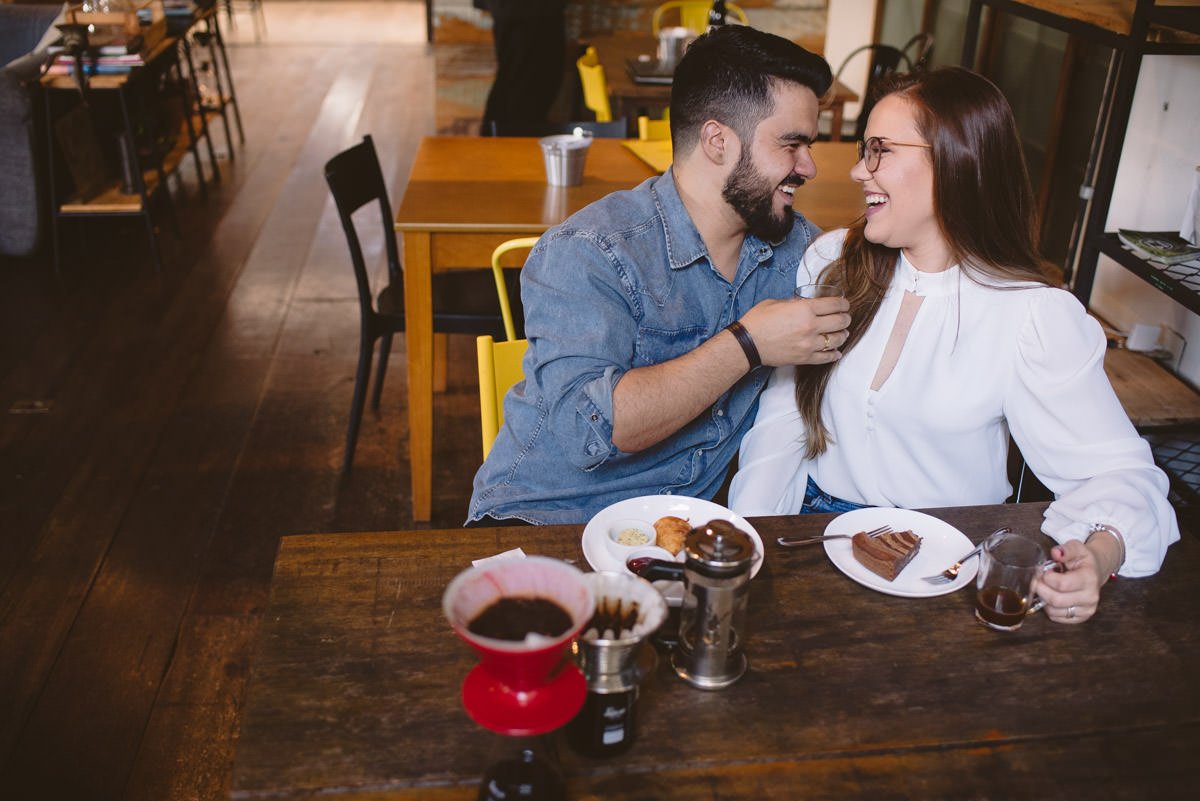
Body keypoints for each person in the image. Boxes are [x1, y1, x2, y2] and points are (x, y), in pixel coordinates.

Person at [729, 67, 1179, 623]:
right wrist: (751, 535)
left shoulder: (1032, 317)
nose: (855, 169)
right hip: (814, 536)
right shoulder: (831, 263)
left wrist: (1098, 554)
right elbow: (785, 420)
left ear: (953, 162)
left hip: (947, 561)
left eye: (878, 150)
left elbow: (1123, 474)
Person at [468, 25, 848, 525]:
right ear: (718, 141)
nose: (809, 166)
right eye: (792, 144)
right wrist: (748, 344)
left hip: (677, 531)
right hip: (550, 522)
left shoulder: (800, 250)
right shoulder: (590, 252)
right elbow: (594, 432)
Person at [478, 0, 568, 137]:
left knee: (529, 82)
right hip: (526, 10)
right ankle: (501, 145)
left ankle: (500, 143)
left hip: (528, 11)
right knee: (524, 84)